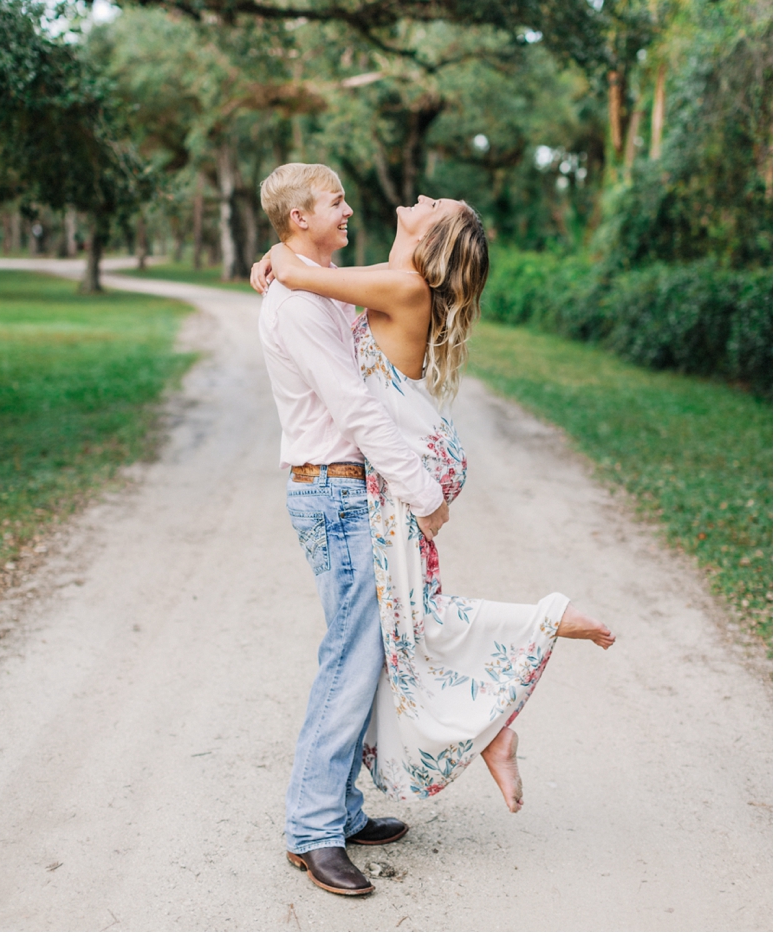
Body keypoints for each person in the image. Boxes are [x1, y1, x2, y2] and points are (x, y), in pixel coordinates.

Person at [254, 187, 615, 830]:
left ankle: (541, 631)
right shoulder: (392, 281)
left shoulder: (405, 287)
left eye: (435, 203)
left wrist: (277, 257)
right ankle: (491, 728)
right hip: (391, 484)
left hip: (401, 486)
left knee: (405, 628)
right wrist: (279, 261)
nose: (421, 195)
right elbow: (309, 278)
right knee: (402, 630)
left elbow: (300, 271)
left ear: (435, 238)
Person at [255, 163, 451, 898]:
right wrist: (424, 491)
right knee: (347, 661)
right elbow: (357, 408)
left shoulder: (310, 286)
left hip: (342, 492)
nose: (347, 210)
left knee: (359, 659)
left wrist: (281, 260)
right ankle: (311, 832)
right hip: (334, 491)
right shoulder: (300, 304)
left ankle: (340, 809)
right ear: (301, 216)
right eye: (334, 202)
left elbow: (366, 303)